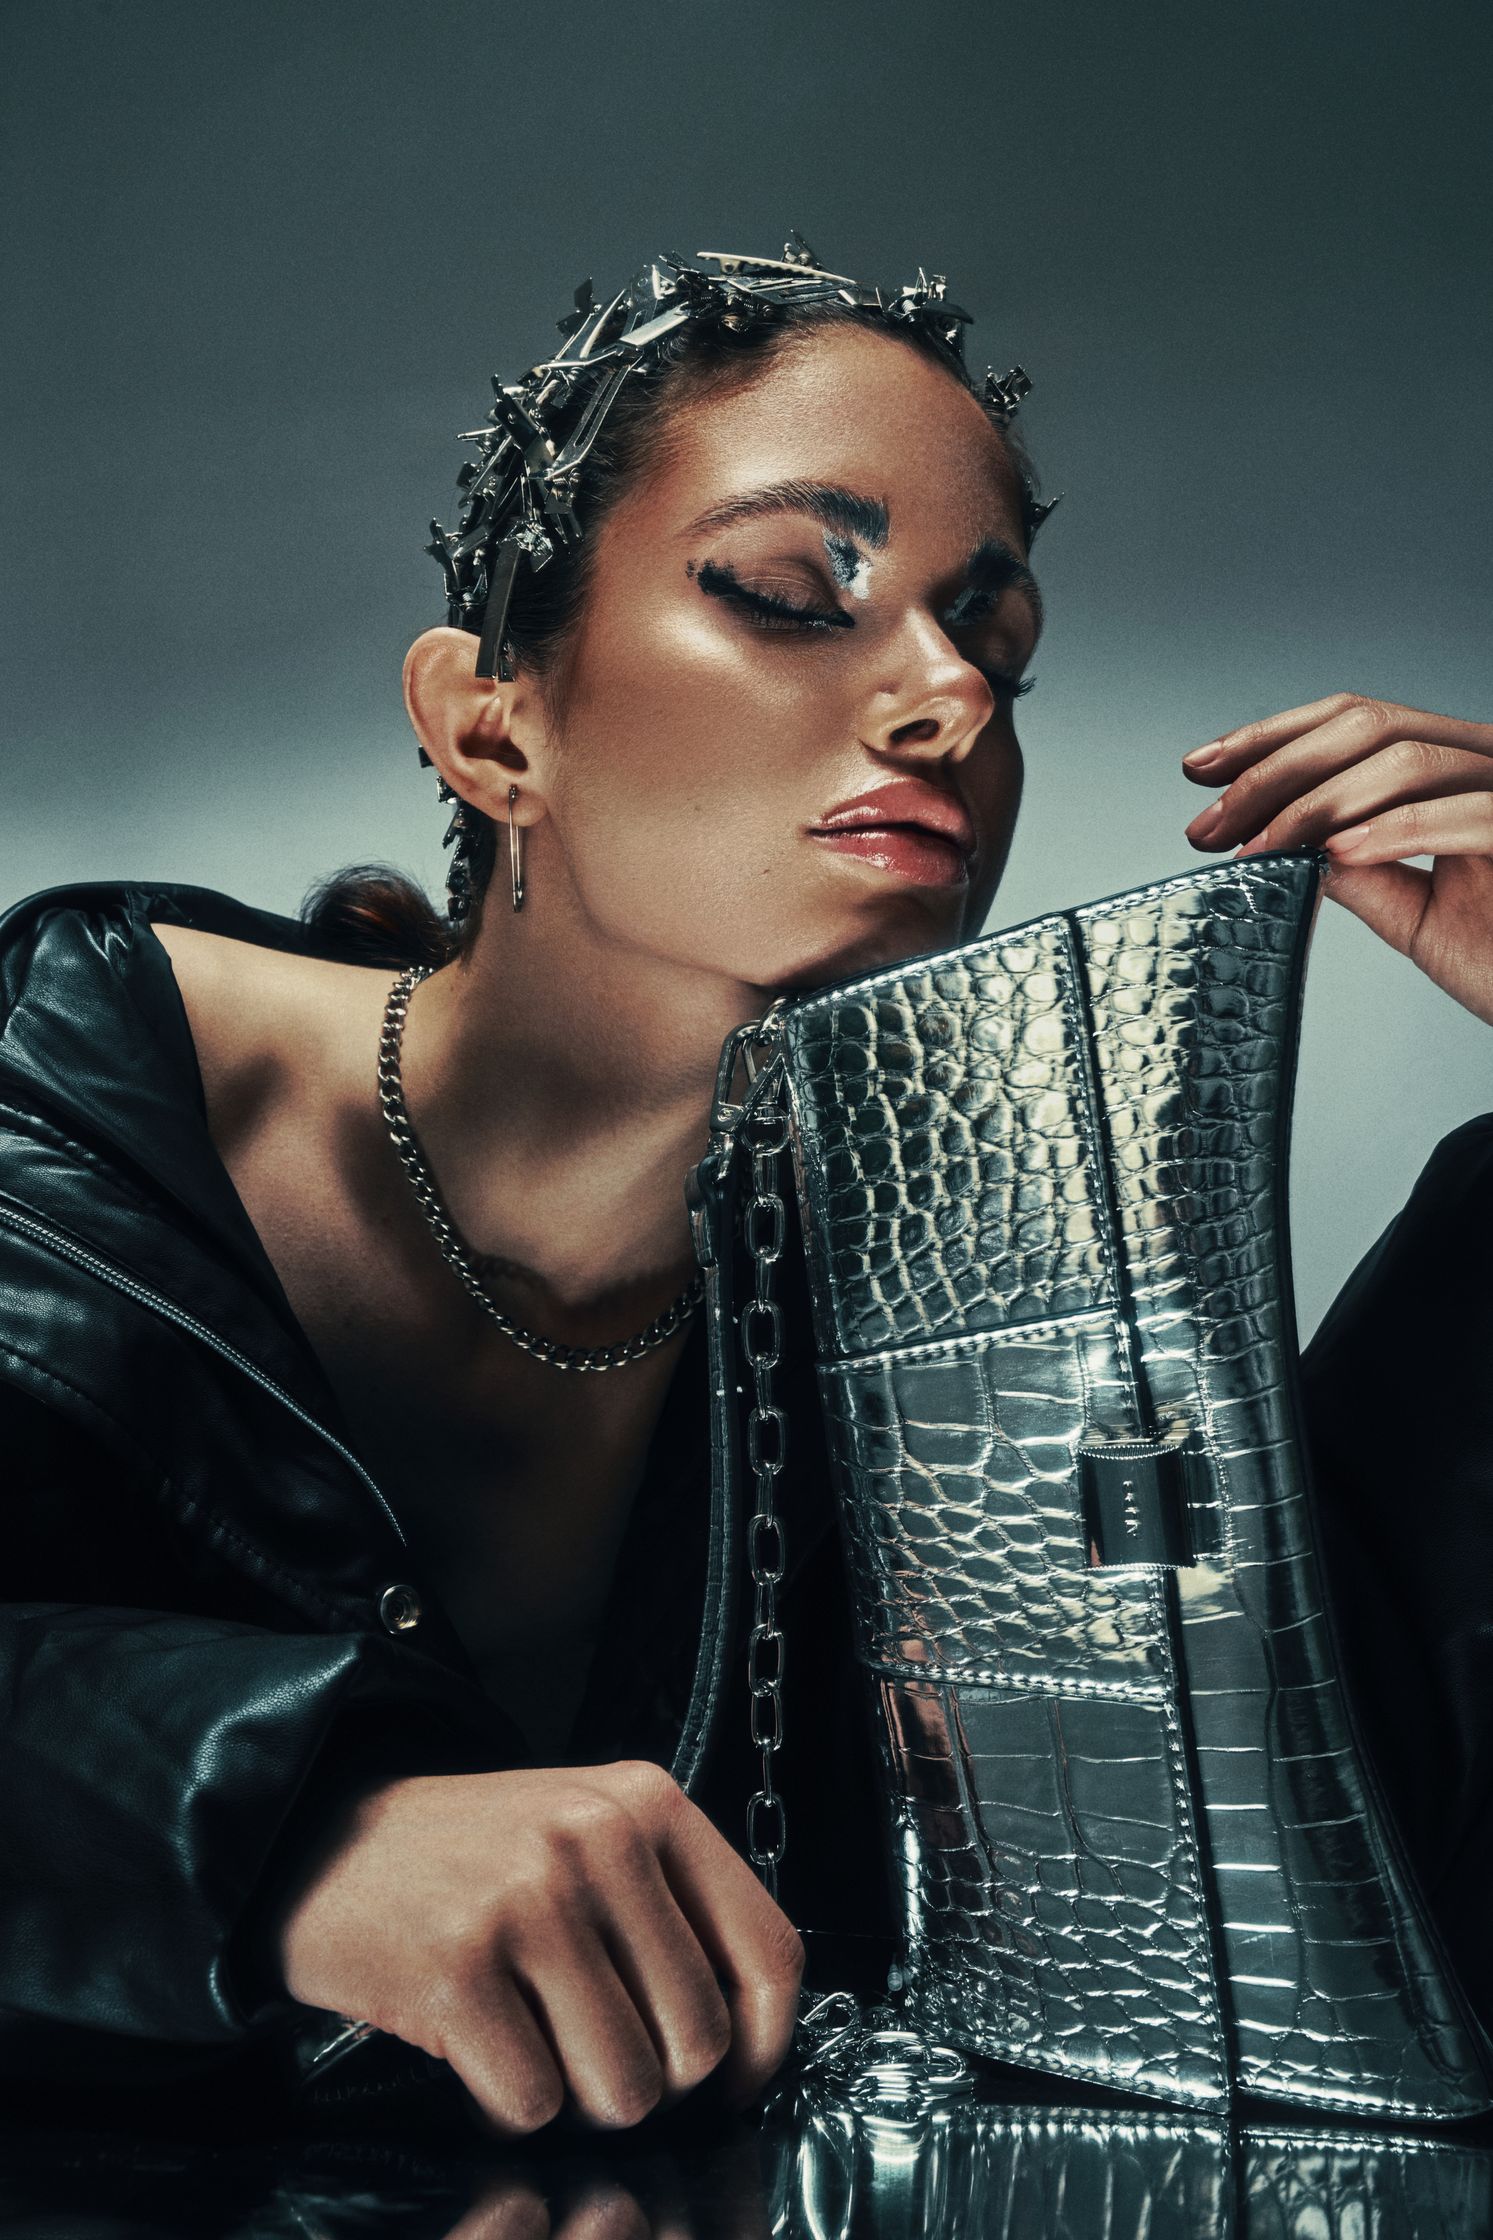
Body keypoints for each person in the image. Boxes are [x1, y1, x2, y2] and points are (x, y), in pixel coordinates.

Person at [0, 240, 1489, 2137]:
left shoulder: (951, 1298)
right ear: (489, 729)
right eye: (794, 593)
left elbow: (1327, 1853)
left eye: (996, 638)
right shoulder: (55, 1113)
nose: (946, 690)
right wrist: (289, 1833)